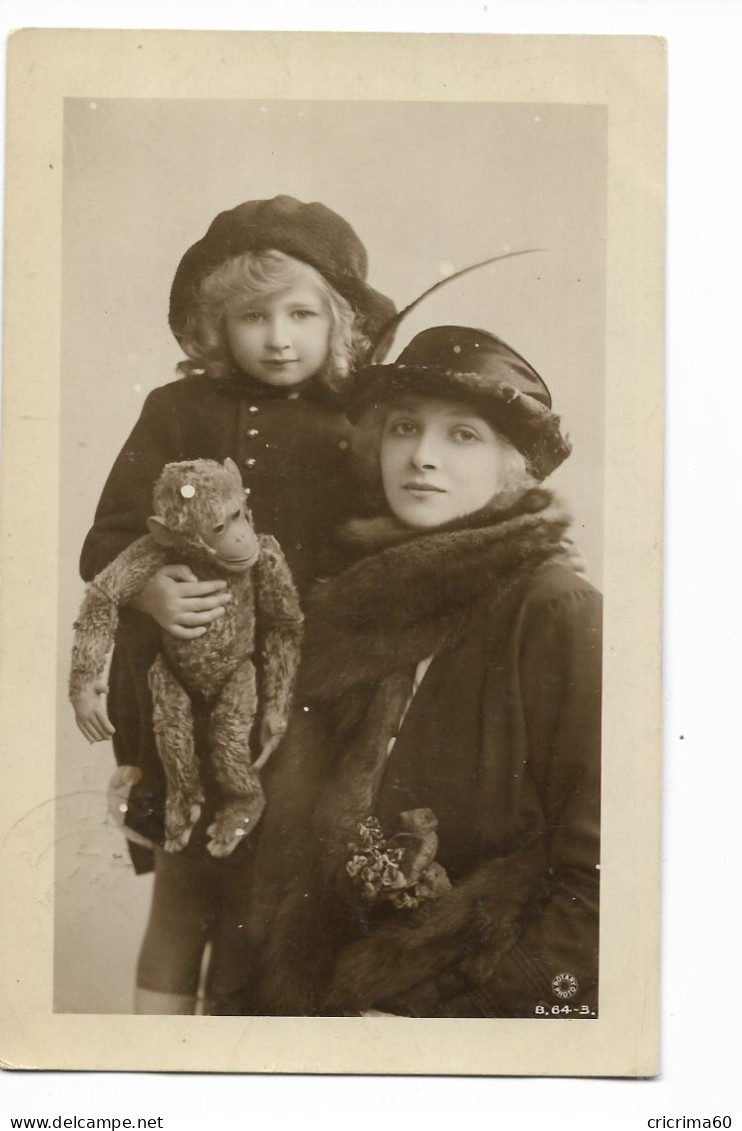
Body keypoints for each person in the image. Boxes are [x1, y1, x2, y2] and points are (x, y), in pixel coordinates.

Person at [79, 194, 395, 1014]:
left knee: (268, 899)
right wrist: (149, 587)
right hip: (184, 683)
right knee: (185, 889)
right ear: (217, 324)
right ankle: (155, 1064)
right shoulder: (177, 410)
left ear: (340, 324)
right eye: (254, 316)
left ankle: (232, 1061)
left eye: (301, 314)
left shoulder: (359, 418)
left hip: (309, 695)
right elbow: (106, 539)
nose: (280, 336)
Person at [232, 324, 602, 1018]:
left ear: (512, 466)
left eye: (463, 435)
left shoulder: (556, 607)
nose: (422, 457)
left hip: (472, 1014)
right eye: (405, 427)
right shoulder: (357, 602)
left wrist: (438, 1026)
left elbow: (602, 882)